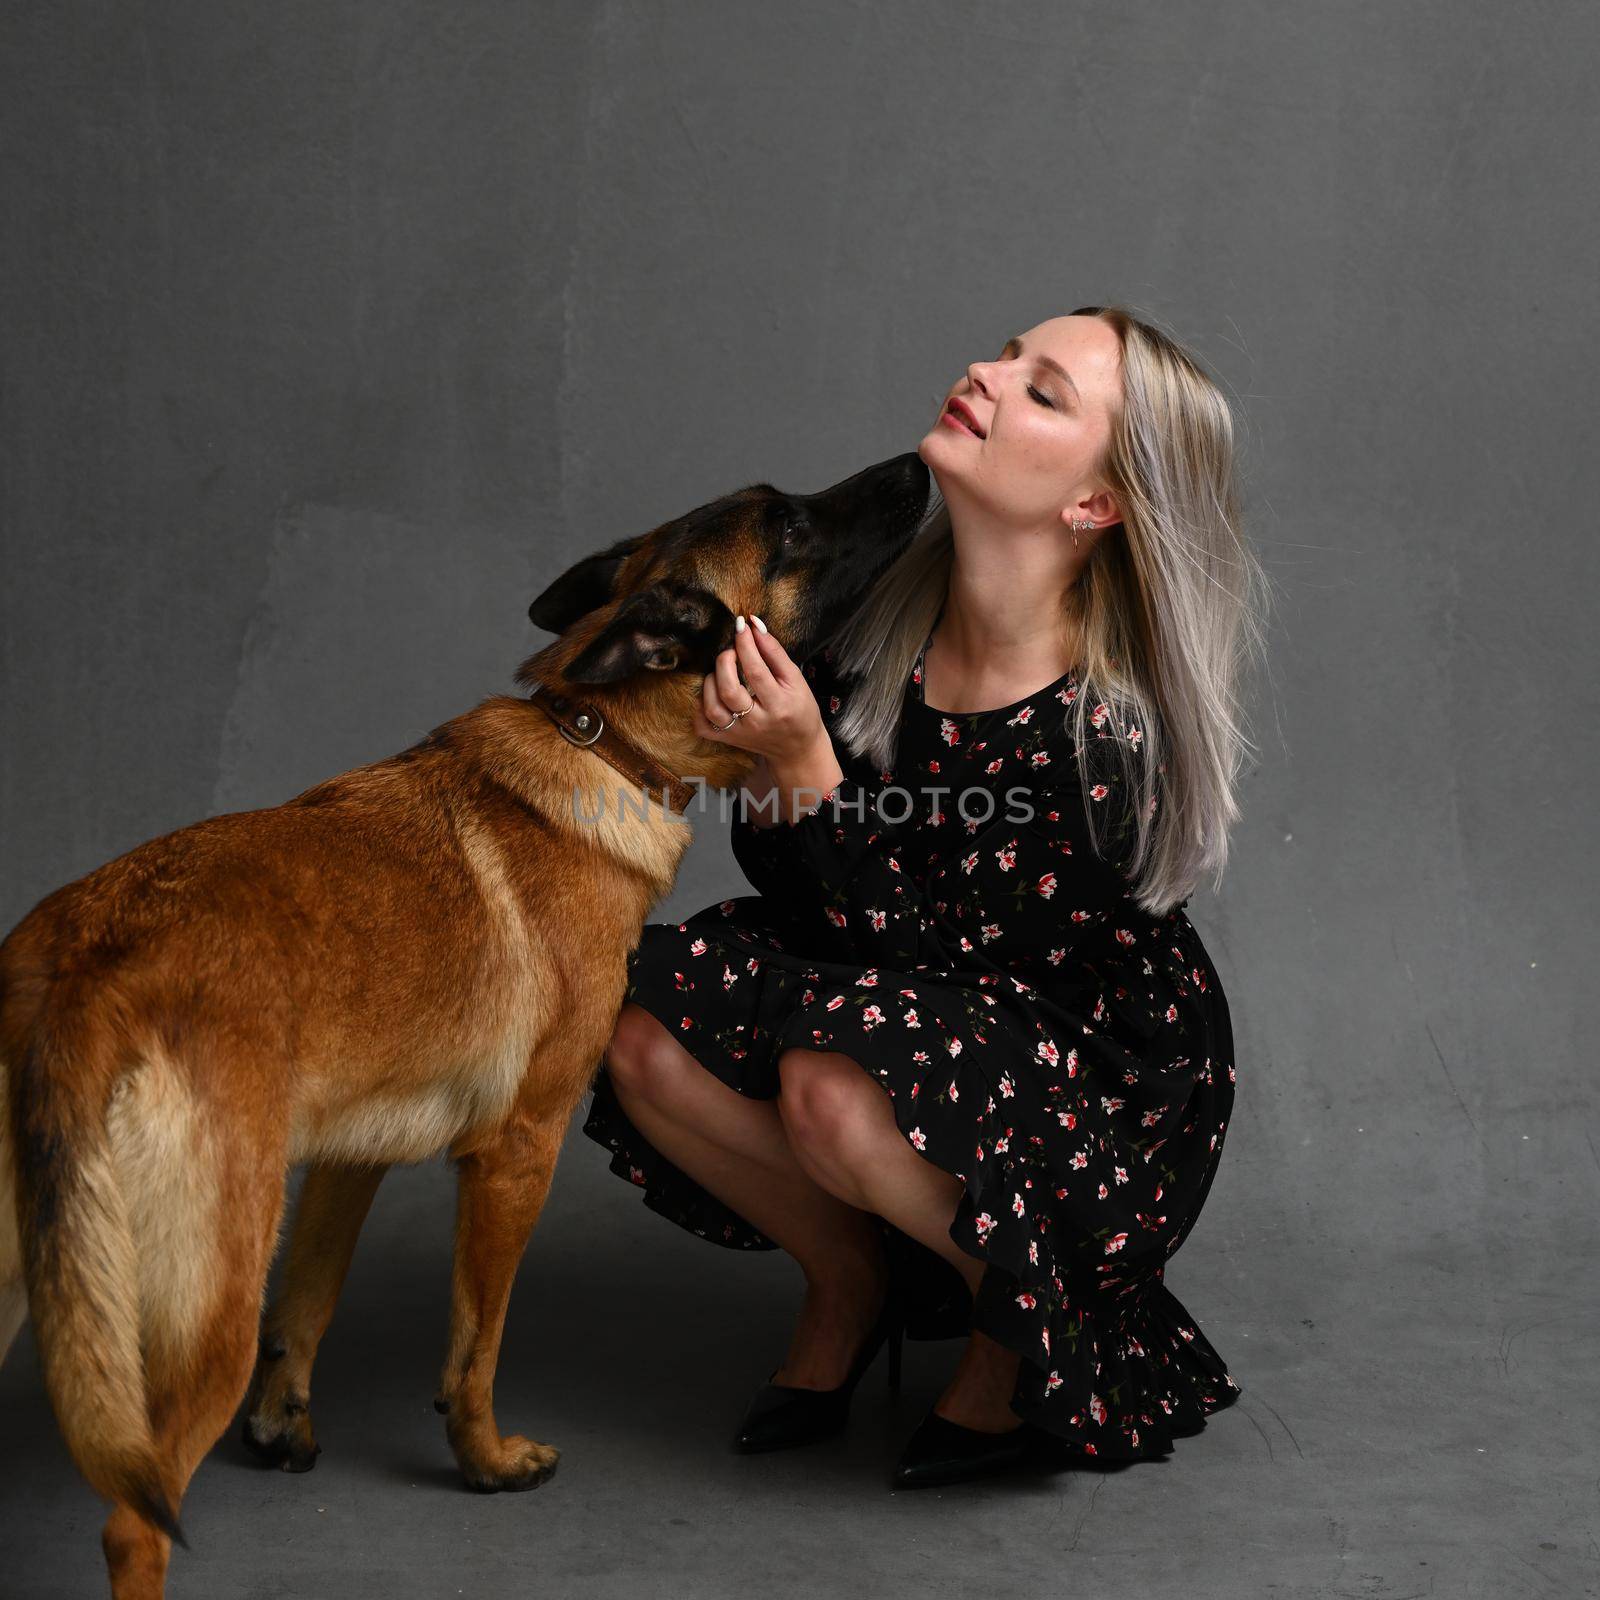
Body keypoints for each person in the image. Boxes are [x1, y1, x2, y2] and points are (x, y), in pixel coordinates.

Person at [584, 305, 1269, 1488]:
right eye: (1006, 354)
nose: (986, 376)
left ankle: (1018, 1325)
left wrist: (805, 770)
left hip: (1076, 1059)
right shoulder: (872, 628)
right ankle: (847, 1280)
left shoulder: (1103, 731)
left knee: (834, 1084)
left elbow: (940, 968)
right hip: (888, 985)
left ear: (1094, 504)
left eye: (1041, 391)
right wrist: (779, 765)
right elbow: (798, 899)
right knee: (634, 1019)